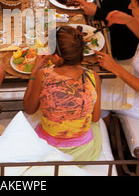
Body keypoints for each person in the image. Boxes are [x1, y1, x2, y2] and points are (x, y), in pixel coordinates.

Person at [23, 26, 102, 161]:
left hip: (49, 150)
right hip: (83, 153)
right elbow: (95, 119)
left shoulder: (43, 75)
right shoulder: (93, 77)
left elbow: (29, 109)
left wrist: (34, 73)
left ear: (56, 57)